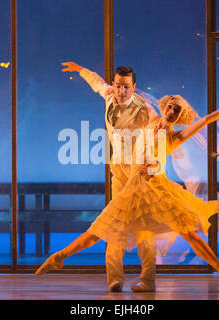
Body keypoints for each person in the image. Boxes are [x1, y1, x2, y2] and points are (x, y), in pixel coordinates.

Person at [36, 90, 219, 295]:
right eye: (170, 106)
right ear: (164, 107)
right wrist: (118, 88)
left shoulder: (174, 138)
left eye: (177, 110)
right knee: (99, 230)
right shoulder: (150, 120)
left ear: (180, 116)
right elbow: (139, 97)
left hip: (158, 189)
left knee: (187, 232)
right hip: (134, 189)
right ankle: (58, 257)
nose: (171, 111)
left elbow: (207, 120)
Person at [37, 61, 158, 292]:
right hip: (118, 169)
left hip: (138, 170)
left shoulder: (143, 111)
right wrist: (79, 69)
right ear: (114, 84)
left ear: (134, 87)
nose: (121, 91)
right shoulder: (109, 95)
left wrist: (150, 169)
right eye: (119, 85)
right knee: (114, 223)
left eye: (127, 87)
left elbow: (154, 140)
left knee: (142, 225)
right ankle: (115, 278)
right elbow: (95, 81)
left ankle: (148, 278)